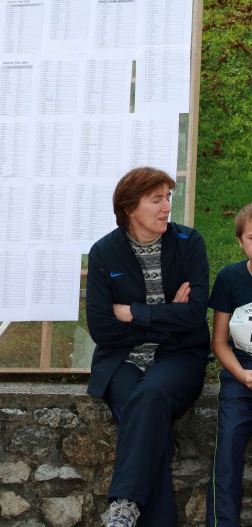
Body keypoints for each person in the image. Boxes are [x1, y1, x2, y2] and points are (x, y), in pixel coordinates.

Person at [86, 166, 210, 527]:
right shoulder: (104, 253)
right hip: (122, 360)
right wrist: (167, 315)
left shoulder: (189, 242)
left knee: (149, 397)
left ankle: (123, 507)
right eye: (156, 200)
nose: (167, 207)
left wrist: (133, 313)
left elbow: (193, 315)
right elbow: (102, 328)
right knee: (149, 429)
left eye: (168, 197)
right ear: (129, 208)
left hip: (179, 356)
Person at [206, 203, 252, 527]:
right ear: (240, 242)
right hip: (240, 369)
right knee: (228, 446)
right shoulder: (229, 278)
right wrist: (243, 375)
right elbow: (219, 343)